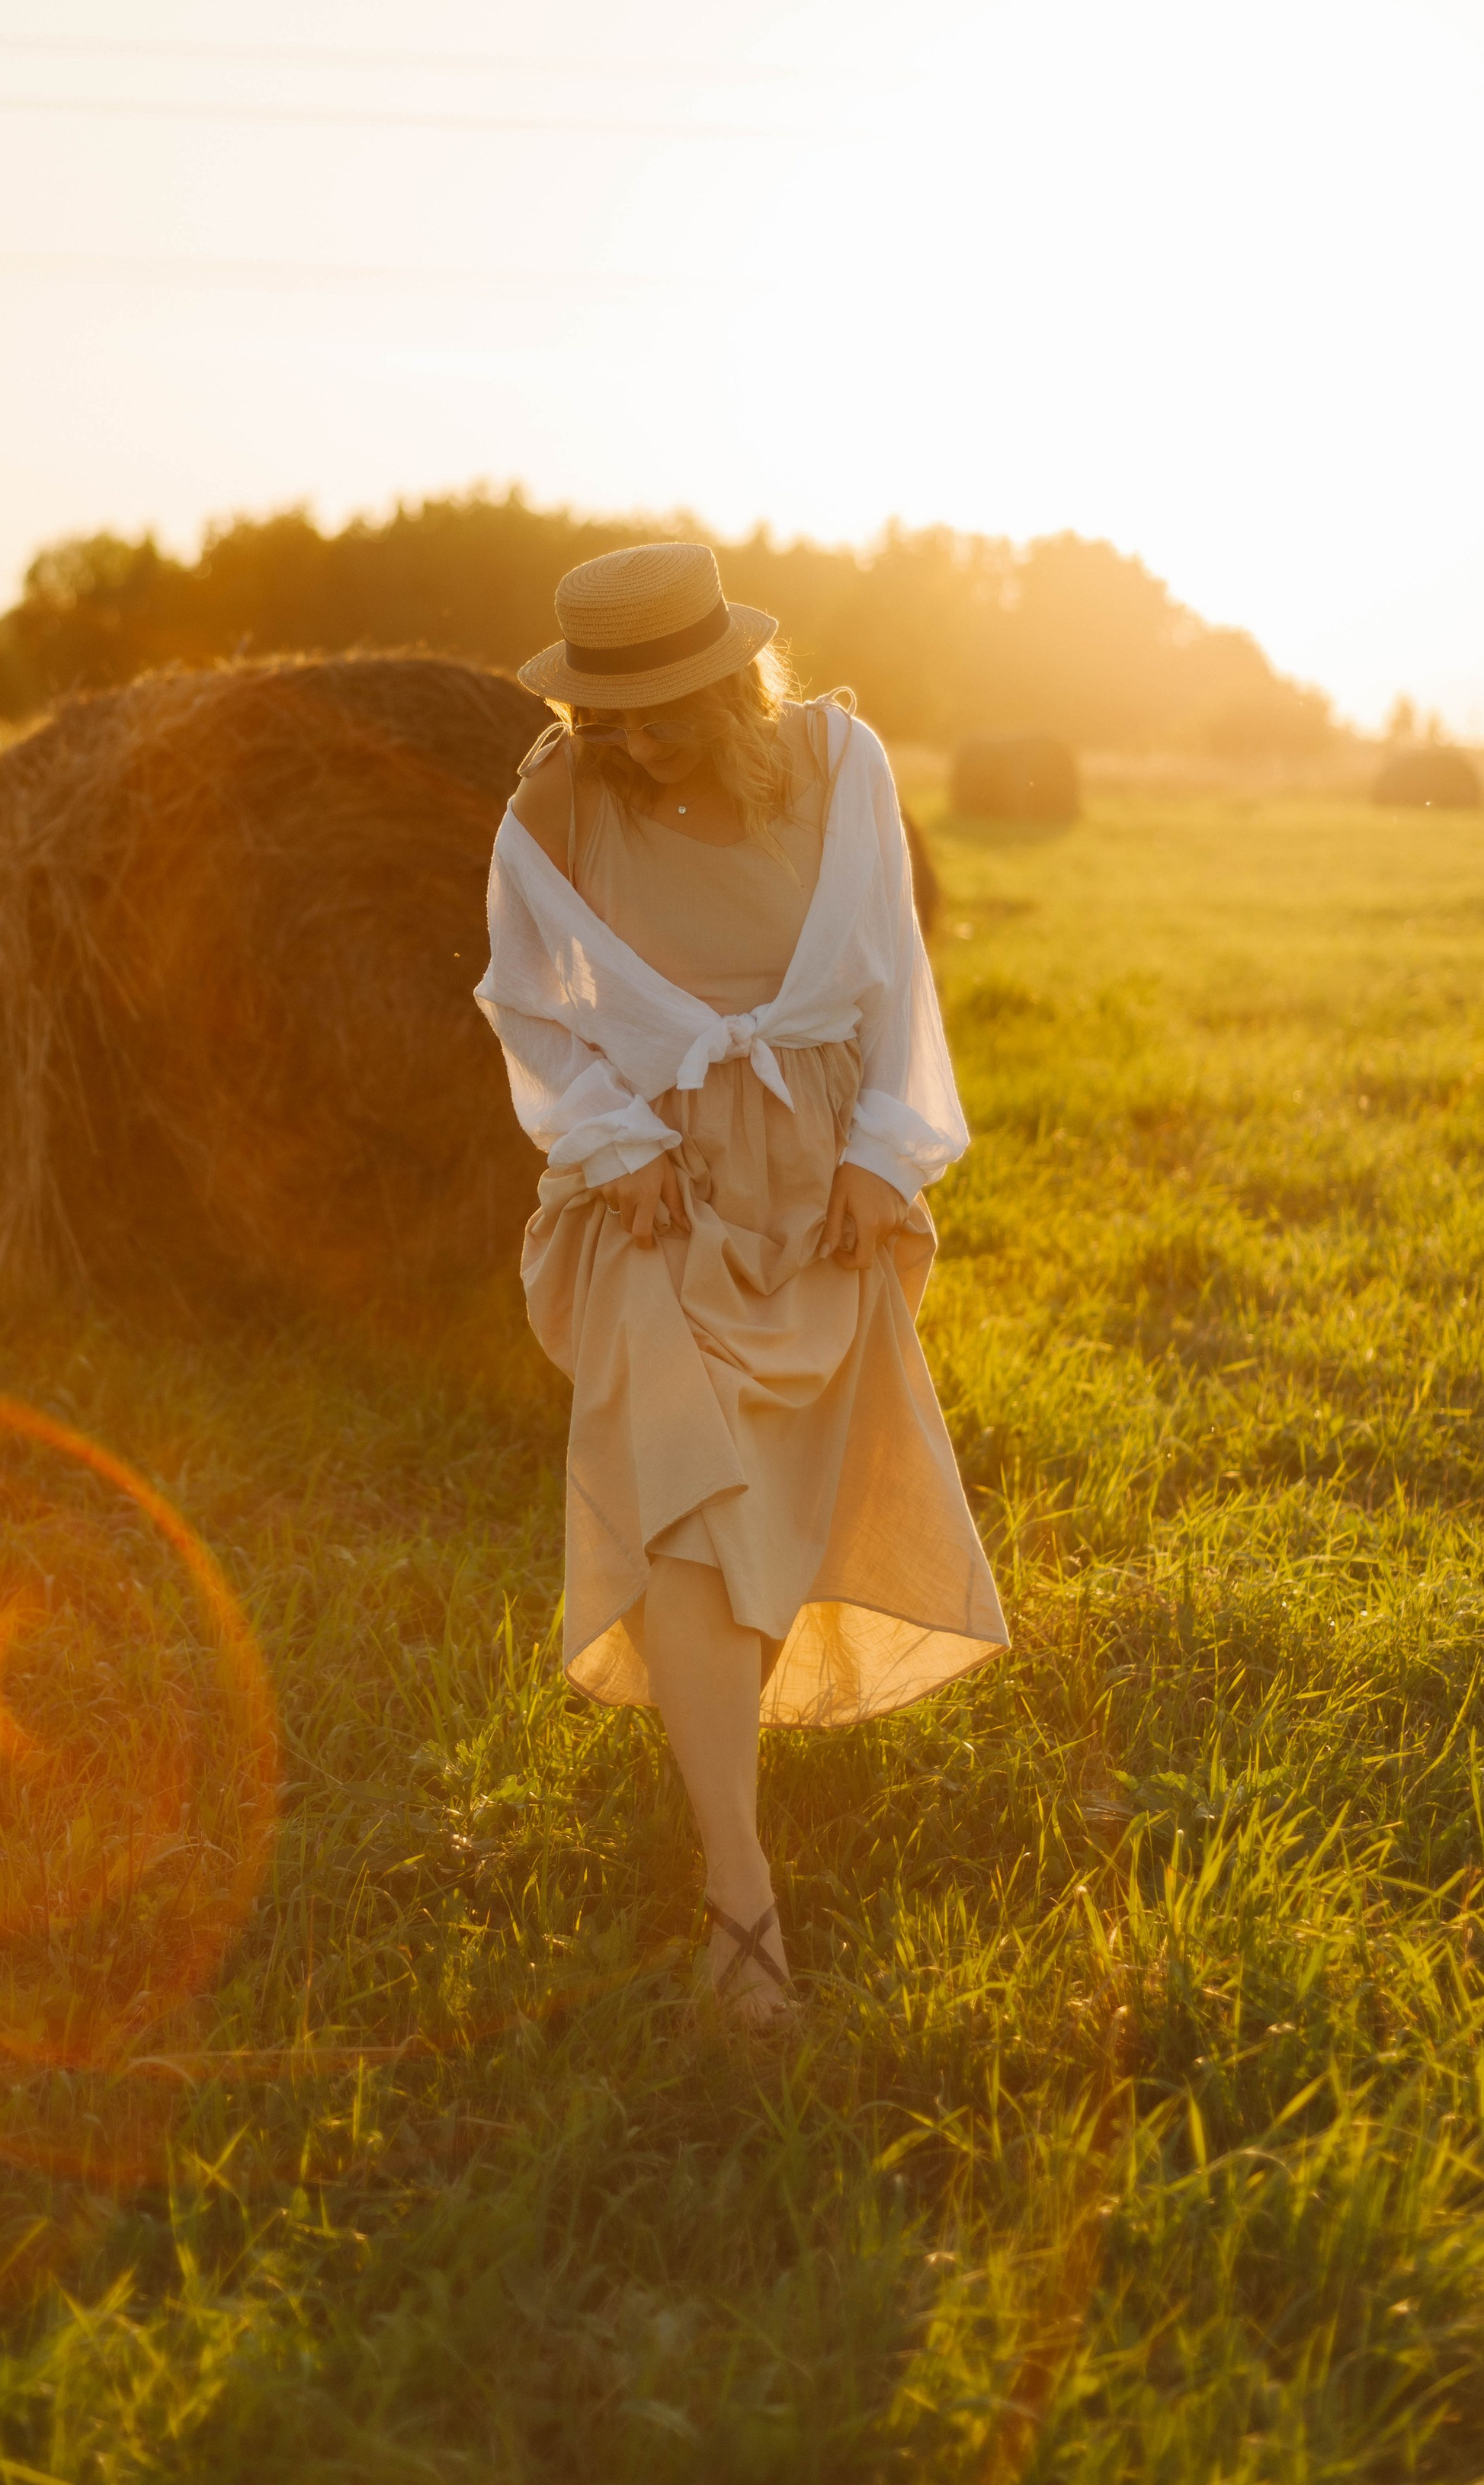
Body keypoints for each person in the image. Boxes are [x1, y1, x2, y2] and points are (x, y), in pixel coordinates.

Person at [476, 540, 1007, 2022]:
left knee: (785, 1492)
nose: (630, 741)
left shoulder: (839, 766)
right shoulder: (553, 804)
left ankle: (718, 1773)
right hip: (646, 1195)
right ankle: (738, 1883)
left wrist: (880, 1158)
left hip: (812, 1176)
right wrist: (615, 1142)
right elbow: (531, 1008)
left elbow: (894, 977)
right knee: (695, 1507)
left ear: (729, 682)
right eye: (606, 713)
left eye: (657, 710)